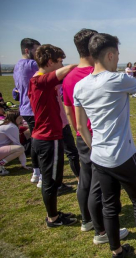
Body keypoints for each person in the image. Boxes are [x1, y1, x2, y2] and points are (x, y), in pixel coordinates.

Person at [73, 33, 136, 257]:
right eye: (117, 54)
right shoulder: (115, 80)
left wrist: (96, 150)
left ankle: (117, 252)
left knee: (109, 207)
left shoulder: (79, 87)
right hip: (124, 157)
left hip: (99, 158)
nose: (118, 59)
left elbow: (80, 127)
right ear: (110, 55)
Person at [62, 29, 128, 244]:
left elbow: (68, 108)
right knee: (100, 186)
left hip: (83, 135)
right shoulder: (97, 74)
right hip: (99, 137)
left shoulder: (70, 77)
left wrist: (78, 132)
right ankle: (102, 231)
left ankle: (87, 221)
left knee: (86, 181)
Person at [28, 44, 77, 228]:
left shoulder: (44, 81)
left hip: (47, 137)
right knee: (51, 182)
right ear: (50, 62)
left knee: (53, 180)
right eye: (59, 61)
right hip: (48, 138)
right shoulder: (38, 81)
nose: (61, 64)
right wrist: (79, 64)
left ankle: (53, 215)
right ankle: (53, 219)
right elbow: (68, 70)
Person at [13, 38, 41, 183]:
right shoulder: (32, 64)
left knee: (35, 139)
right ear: (27, 50)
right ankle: (40, 173)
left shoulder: (17, 65)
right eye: (36, 50)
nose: (38, 53)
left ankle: (36, 172)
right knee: (41, 141)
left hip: (25, 108)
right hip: (34, 107)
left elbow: (15, 91)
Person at [0, 111, 29, 175]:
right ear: (13, 118)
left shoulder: (5, 123)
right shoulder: (12, 127)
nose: (21, 120)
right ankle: (1, 164)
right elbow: (18, 146)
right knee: (20, 148)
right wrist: (24, 164)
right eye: (19, 118)